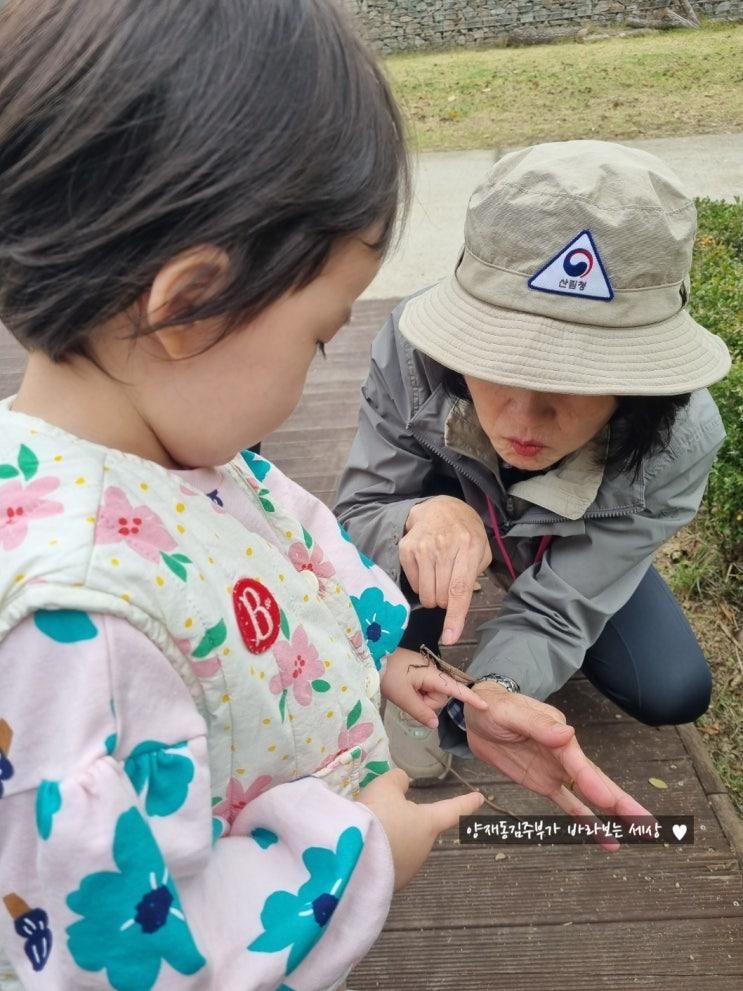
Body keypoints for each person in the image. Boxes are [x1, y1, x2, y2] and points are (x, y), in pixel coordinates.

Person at [0, 5, 654, 990]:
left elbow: (282, 549)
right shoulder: (73, 627)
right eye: (317, 336)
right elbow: (114, 959)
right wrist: (354, 863)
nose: (319, 364)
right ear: (187, 306)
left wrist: (398, 668)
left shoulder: (163, 447)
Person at [335, 140, 731, 786]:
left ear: (639, 382)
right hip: (438, 529)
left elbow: (560, 607)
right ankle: (410, 646)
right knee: (406, 573)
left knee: (669, 685)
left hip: (565, 544)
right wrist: (418, 516)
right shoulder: (411, 350)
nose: (520, 420)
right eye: (494, 361)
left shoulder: (679, 442)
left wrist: (493, 689)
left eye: (572, 377)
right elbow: (354, 517)